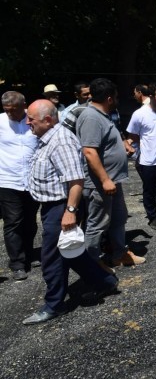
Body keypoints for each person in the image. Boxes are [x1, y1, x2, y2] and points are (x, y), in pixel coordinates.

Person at [22, 99, 118, 325]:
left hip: (62, 206)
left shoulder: (61, 141)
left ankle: (54, 305)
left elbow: (75, 181)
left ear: (47, 120)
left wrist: (70, 211)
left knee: (52, 258)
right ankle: (104, 281)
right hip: (54, 207)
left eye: (31, 119)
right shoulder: (47, 138)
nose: (27, 123)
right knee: (70, 251)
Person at [76, 78, 145, 267]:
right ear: (108, 98)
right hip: (100, 183)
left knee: (118, 218)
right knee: (97, 225)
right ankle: (92, 265)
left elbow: (106, 139)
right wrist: (105, 179)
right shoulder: (90, 117)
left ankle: (120, 253)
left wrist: (122, 143)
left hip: (113, 180)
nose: (117, 100)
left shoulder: (103, 114)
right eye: (115, 97)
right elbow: (89, 151)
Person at [0, 91, 40, 280]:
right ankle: (17, 263)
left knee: (30, 220)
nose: (10, 114)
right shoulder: (0, 122)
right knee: (13, 221)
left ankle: (29, 254)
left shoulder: (34, 122)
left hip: (32, 180)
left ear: (24, 105)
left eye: (14, 110)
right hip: (8, 180)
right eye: (7, 111)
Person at [125, 83, 156, 230]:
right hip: (148, 160)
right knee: (149, 190)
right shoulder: (139, 114)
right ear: (152, 96)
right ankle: (153, 216)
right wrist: (129, 145)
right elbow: (133, 135)